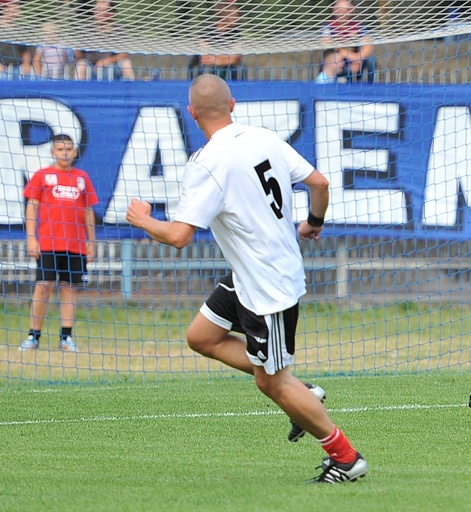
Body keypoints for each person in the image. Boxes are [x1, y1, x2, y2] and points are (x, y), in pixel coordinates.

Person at [125, 74, 367, 483]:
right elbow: (320, 183)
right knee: (201, 337)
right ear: (232, 104)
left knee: (270, 383)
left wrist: (142, 219)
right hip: (252, 273)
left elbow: (180, 237)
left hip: (267, 287)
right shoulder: (263, 137)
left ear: (192, 114)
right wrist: (314, 221)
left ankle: (345, 458)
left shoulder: (206, 162)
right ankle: (302, 391)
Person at [20, 134, 98, 353]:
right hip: (47, 243)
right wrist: (31, 238)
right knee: (43, 286)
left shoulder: (82, 178)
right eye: (60, 149)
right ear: (53, 152)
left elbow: (87, 211)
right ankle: (33, 336)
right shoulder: (42, 176)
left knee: (69, 289)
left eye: (69, 149)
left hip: (74, 245)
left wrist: (91, 242)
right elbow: (32, 206)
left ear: (75, 152)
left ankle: (66, 338)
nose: (65, 153)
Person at [74, 0, 135, 81]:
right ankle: (77, 91)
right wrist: (76, 53)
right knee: (81, 65)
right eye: (97, 10)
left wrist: (107, 61)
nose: (98, 13)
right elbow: (78, 54)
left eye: (102, 10)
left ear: (111, 13)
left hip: (112, 66)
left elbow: (124, 54)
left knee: (126, 64)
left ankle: (130, 91)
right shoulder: (85, 29)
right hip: (91, 67)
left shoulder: (119, 30)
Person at [321, 0, 375, 83]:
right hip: (338, 62)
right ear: (334, 10)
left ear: (352, 10)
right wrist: (351, 56)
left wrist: (359, 58)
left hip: (355, 62)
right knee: (333, 60)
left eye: (347, 9)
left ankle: (371, 87)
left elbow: (369, 45)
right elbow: (327, 44)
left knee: (372, 60)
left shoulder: (358, 26)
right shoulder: (329, 26)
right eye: (340, 9)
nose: (343, 12)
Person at [188, 3, 245, 80]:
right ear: (224, 17)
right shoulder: (206, 31)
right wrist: (225, 59)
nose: (238, 18)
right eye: (234, 15)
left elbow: (236, 58)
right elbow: (205, 58)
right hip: (205, 64)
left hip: (225, 64)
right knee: (208, 68)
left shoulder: (235, 33)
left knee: (239, 67)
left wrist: (218, 60)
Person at [0, 0, 33, 78]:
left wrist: (26, 64)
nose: (18, 8)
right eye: (15, 5)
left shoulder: (20, 29)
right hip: (2, 69)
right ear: (6, 8)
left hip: (19, 68)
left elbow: (25, 50)